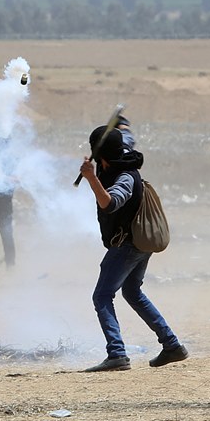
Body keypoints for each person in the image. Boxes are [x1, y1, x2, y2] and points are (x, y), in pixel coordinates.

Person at [79, 119, 188, 371]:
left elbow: (109, 203)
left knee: (102, 296)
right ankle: (171, 346)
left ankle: (117, 354)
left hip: (128, 245)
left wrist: (90, 178)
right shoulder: (121, 156)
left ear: (101, 156)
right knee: (132, 292)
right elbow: (125, 140)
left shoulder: (125, 177)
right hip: (138, 243)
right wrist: (122, 126)